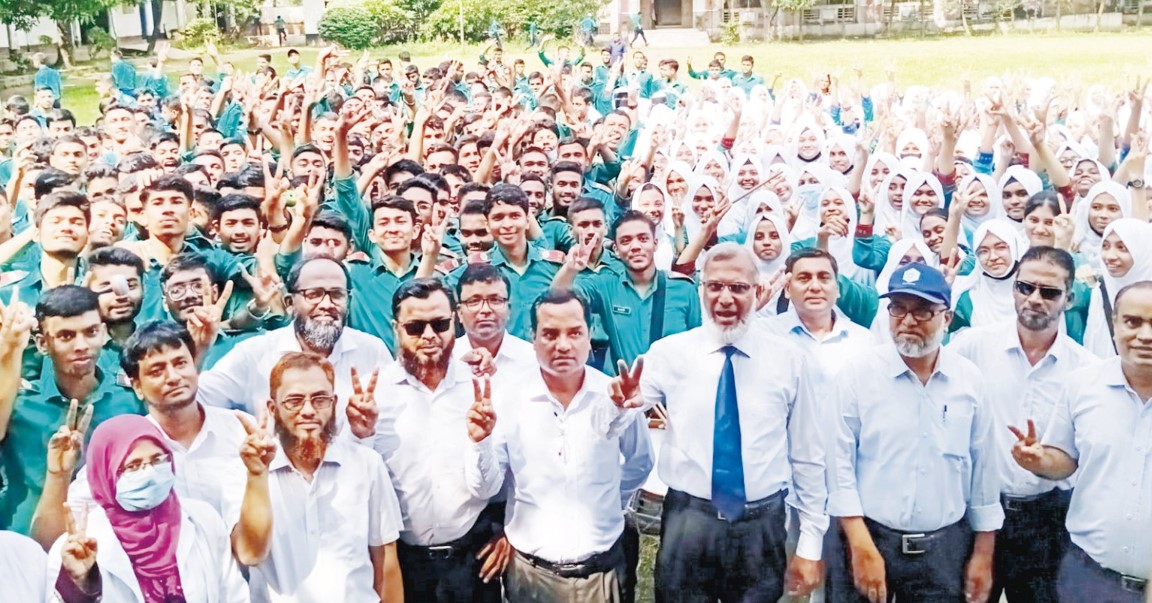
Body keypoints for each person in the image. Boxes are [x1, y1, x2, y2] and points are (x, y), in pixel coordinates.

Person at [636, 243, 827, 601]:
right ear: (701, 290)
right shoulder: (669, 354)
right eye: (715, 286)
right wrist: (617, 407)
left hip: (761, 528)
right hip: (688, 523)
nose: (725, 298)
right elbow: (615, 419)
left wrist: (810, 543)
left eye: (738, 288)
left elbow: (808, 454)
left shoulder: (788, 359)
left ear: (756, 291)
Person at [826, 262, 1002, 603]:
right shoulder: (858, 375)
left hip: (943, 551)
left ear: (946, 319)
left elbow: (984, 472)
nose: (908, 321)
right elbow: (838, 465)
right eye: (898, 308)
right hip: (868, 538)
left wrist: (983, 554)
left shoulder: (969, 380)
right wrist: (860, 545)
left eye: (922, 311)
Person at [466, 289, 653, 602]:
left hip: (601, 573)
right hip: (531, 575)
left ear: (589, 336)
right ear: (533, 338)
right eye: (550, 334)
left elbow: (640, 463)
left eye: (575, 333)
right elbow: (486, 488)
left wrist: (606, 500)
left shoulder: (615, 394)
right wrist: (480, 442)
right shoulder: (508, 398)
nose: (563, 345)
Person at [950, 246, 1098, 603]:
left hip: (1046, 519)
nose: (1034, 299)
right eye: (1025, 287)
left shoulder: (1085, 370)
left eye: (1049, 292)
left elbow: (1080, 456)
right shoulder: (973, 347)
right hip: (975, 511)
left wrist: (1043, 461)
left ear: (1069, 299)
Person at [1013, 280, 1152, 603]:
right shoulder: (1083, 385)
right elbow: (1065, 461)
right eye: (1132, 322)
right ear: (1114, 324)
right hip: (1090, 578)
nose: (1145, 335)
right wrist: (1040, 461)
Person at [363, 278, 502, 602]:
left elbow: (497, 484)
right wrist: (361, 435)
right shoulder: (374, 394)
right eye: (415, 327)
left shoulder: (480, 387)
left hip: (471, 561)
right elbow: (362, 485)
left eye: (439, 324)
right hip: (402, 563)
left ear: (454, 321)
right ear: (396, 328)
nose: (429, 336)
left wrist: (481, 442)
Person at [249, 352, 404, 602]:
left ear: (334, 403)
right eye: (294, 400)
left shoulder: (366, 464)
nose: (308, 410)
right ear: (273, 408)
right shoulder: (251, 472)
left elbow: (386, 557)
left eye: (320, 399)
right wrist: (256, 474)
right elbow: (247, 553)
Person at [45, 414, 249, 602]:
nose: (150, 473)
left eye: (158, 460)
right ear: (105, 474)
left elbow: (234, 596)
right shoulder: (75, 549)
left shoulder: (203, 519)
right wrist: (79, 586)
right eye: (133, 466)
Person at [0, 286, 142, 534]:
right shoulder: (18, 402)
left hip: (110, 539)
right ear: (42, 344)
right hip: (27, 542)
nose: (81, 345)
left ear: (104, 333)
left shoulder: (131, 398)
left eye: (91, 332)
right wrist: (10, 350)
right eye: (66, 336)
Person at [198, 256, 394, 429]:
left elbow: (393, 427)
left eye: (337, 295)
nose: (326, 305)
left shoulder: (372, 351)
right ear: (289, 303)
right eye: (313, 294)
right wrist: (199, 349)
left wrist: (367, 432)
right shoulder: (254, 354)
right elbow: (196, 403)